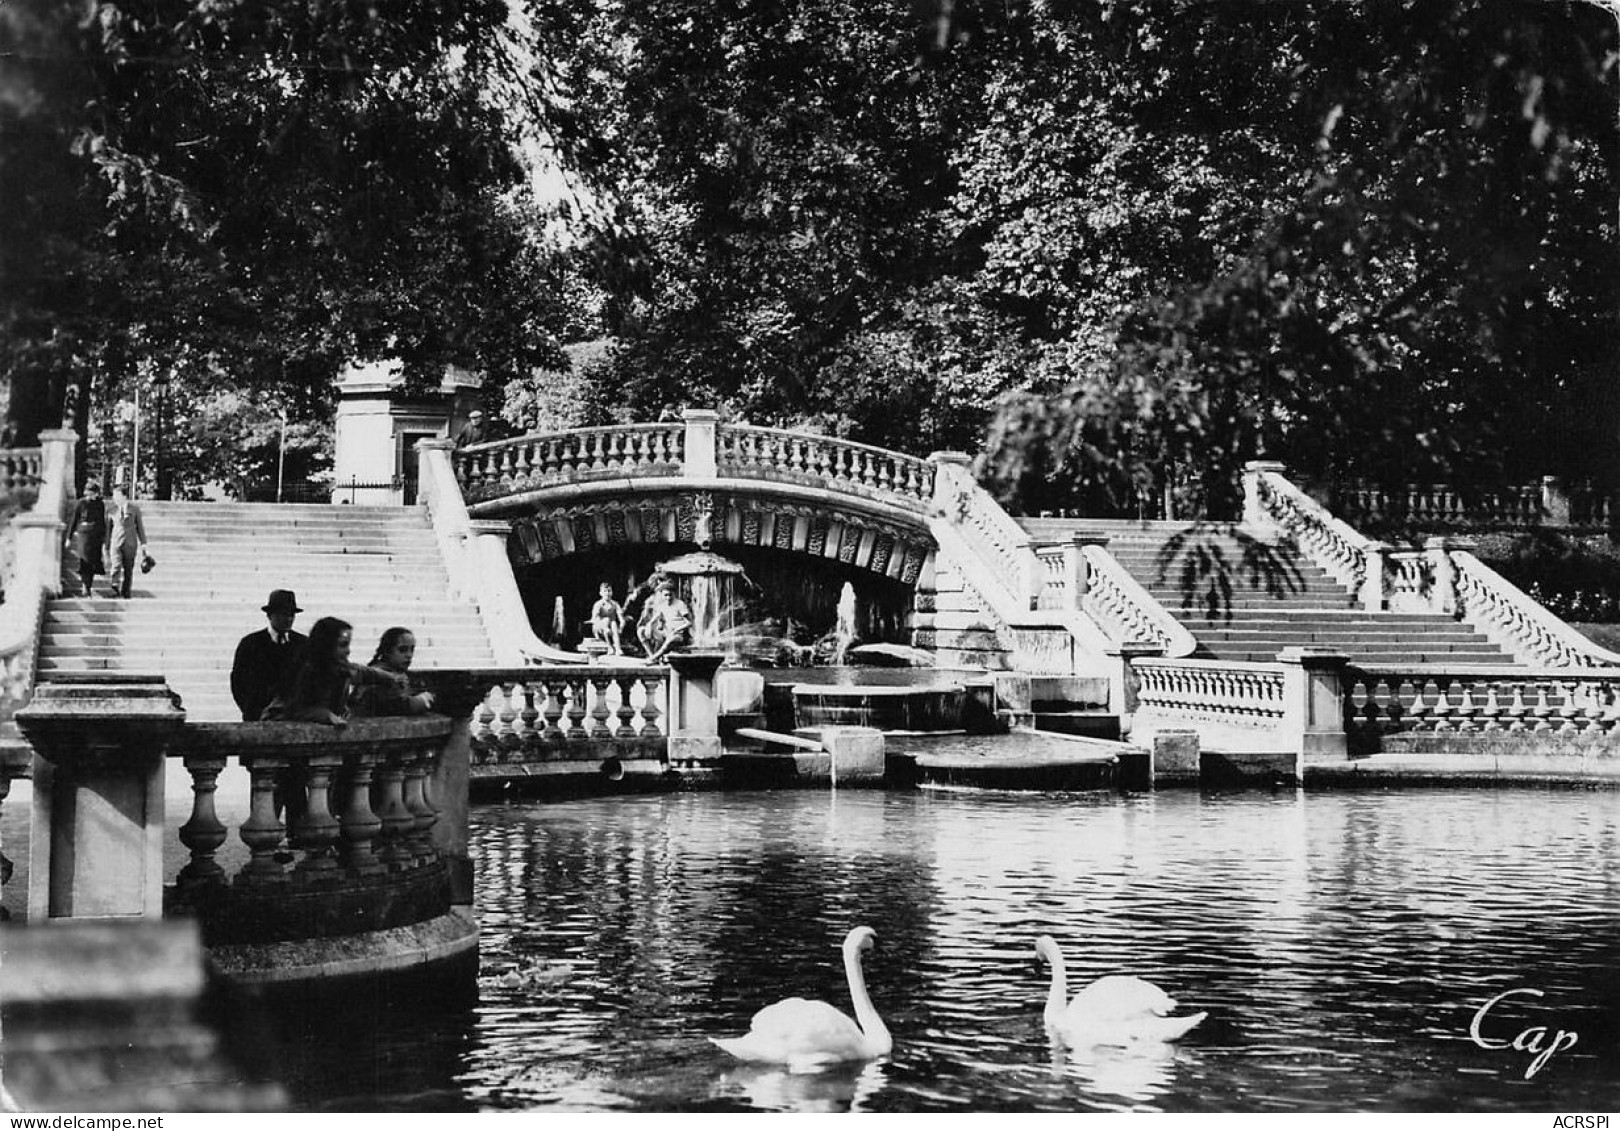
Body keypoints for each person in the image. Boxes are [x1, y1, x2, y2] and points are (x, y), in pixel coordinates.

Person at [262, 616, 403, 725]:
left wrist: (391, 678)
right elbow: (295, 709)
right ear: (327, 646)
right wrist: (327, 715)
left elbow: (364, 672)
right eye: (343, 645)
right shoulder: (306, 671)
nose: (348, 651)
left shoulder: (341, 668)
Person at [231, 589, 310, 722]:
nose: (289, 619)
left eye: (292, 614)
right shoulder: (250, 644)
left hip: (295, 719)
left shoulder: (303, 645)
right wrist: (252, 711)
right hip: (258, 719)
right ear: (269, 615)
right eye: (283, 614)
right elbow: (238, 682)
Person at [350, 627, 437, 717]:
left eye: (412, 650)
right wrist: (419, 702)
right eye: (402, 650)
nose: (409, 655)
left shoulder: (405, 676)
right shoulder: (375, 677)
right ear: (387, 651)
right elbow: (389, 706)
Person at [63, 480, 107, 597]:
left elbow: (102, 522)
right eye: (89, 493)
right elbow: (73, 520)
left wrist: (103, 539)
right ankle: (85, 586)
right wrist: (69, 537)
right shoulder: (81, 503)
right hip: (83, 535)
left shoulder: (100, 504)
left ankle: (88, 585)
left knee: (93, 562)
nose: (91, 495)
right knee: (84, 560)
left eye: (93, 493)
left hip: (95, 536)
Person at [104, 483, 148, 599]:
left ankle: (126, 590)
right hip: (116, 542)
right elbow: (108, 529)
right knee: (116, 565)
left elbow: (140, 527)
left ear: (123, 496)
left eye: (116, 495)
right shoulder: (111, 510)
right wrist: (106, 545)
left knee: (128, 568)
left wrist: (143, 544)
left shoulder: (134, 509)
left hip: (130, 543)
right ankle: (114, 588)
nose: (114, 498)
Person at [646, 586, 693, 662]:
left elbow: (689, 623)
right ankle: (652, 656)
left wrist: (677, 630)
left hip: (679, 635)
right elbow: (655, 619)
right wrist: (650, 625)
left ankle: (654, 657)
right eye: (666, 595)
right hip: (666, 632)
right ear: (662, 595)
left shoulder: (680, 604)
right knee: (641, 631)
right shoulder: (661, 605)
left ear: (674, 594)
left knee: (671, 638)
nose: (668, 597)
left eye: (670, 594)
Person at [589, 583, 625, 655]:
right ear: (600, 593)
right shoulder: (598, 604)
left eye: (609, 591)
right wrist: (604, 627)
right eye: (605, 591)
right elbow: (594, 619)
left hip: (612, 628)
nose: (607, 593)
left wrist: (621, 627)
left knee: (614, 623)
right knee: (606, 620)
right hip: (599, 627)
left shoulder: (615, 604)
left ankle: (618, 648)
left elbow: (621, 619)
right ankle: (609, 647)